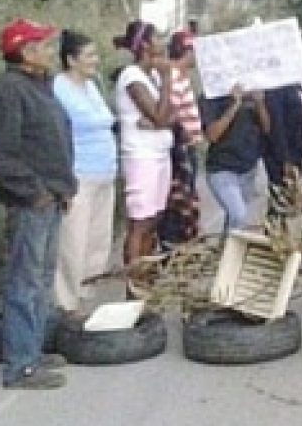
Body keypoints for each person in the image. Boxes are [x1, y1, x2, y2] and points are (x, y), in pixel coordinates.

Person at [0, 19, 75, 390]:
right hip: (31, 202)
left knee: (40, 280)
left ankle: (33, 349)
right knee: (24, 281)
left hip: (50, 199)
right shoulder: (7, 93)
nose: (51, 52)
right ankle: (20, 365)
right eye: (43, 46)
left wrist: (63, 188)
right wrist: (33, 191)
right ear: (26, 52)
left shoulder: (39, 87)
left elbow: (50, 143)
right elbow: (1, 153)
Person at [51, 30, 117, 315]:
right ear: (71, 60)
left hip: (104, 173)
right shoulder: (58, 88)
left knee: (97, 242)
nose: (95, 61)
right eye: (89, 56)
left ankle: (86, 296)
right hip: (78, 174)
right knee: (73, 242)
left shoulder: (91, 86)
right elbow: (55, 134)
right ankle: (65, 302)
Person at [112, 21, 175, 267]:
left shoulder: (153, 76)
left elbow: (170, 116)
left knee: (154, 218)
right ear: (146, 45)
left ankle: (145, 278)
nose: (163, 43)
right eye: (158, 38)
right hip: (142, 156)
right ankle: (133, 283)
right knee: (139, 222)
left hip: (159, 153)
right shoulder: (132, 77)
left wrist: (161, 120)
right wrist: (169, 80)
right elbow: (161, 116)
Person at [202, 85, 271, 234]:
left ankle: (226, 253)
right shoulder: (212, 98)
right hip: (222, 168)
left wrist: (259, 103)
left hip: (248, 168)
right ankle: (231, 253)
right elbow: (212, 135)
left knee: (234, 220)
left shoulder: (253, 97)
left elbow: (266, 128)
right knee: (238, 214)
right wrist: (235, 105)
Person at [157, 31, 203, 246]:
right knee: (178, 202)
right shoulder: (173, 78)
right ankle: (172, 246)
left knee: (186, 199)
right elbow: (171, 111)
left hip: (188, 147)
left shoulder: (182, 77)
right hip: (179, 149)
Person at [261, 83, 302, 207]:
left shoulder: (295, 86)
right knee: (281, 200)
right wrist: (285, 160)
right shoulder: (275, 90)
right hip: (282, 155)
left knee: (289, 202)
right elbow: (276, 127)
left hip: (297, 151)